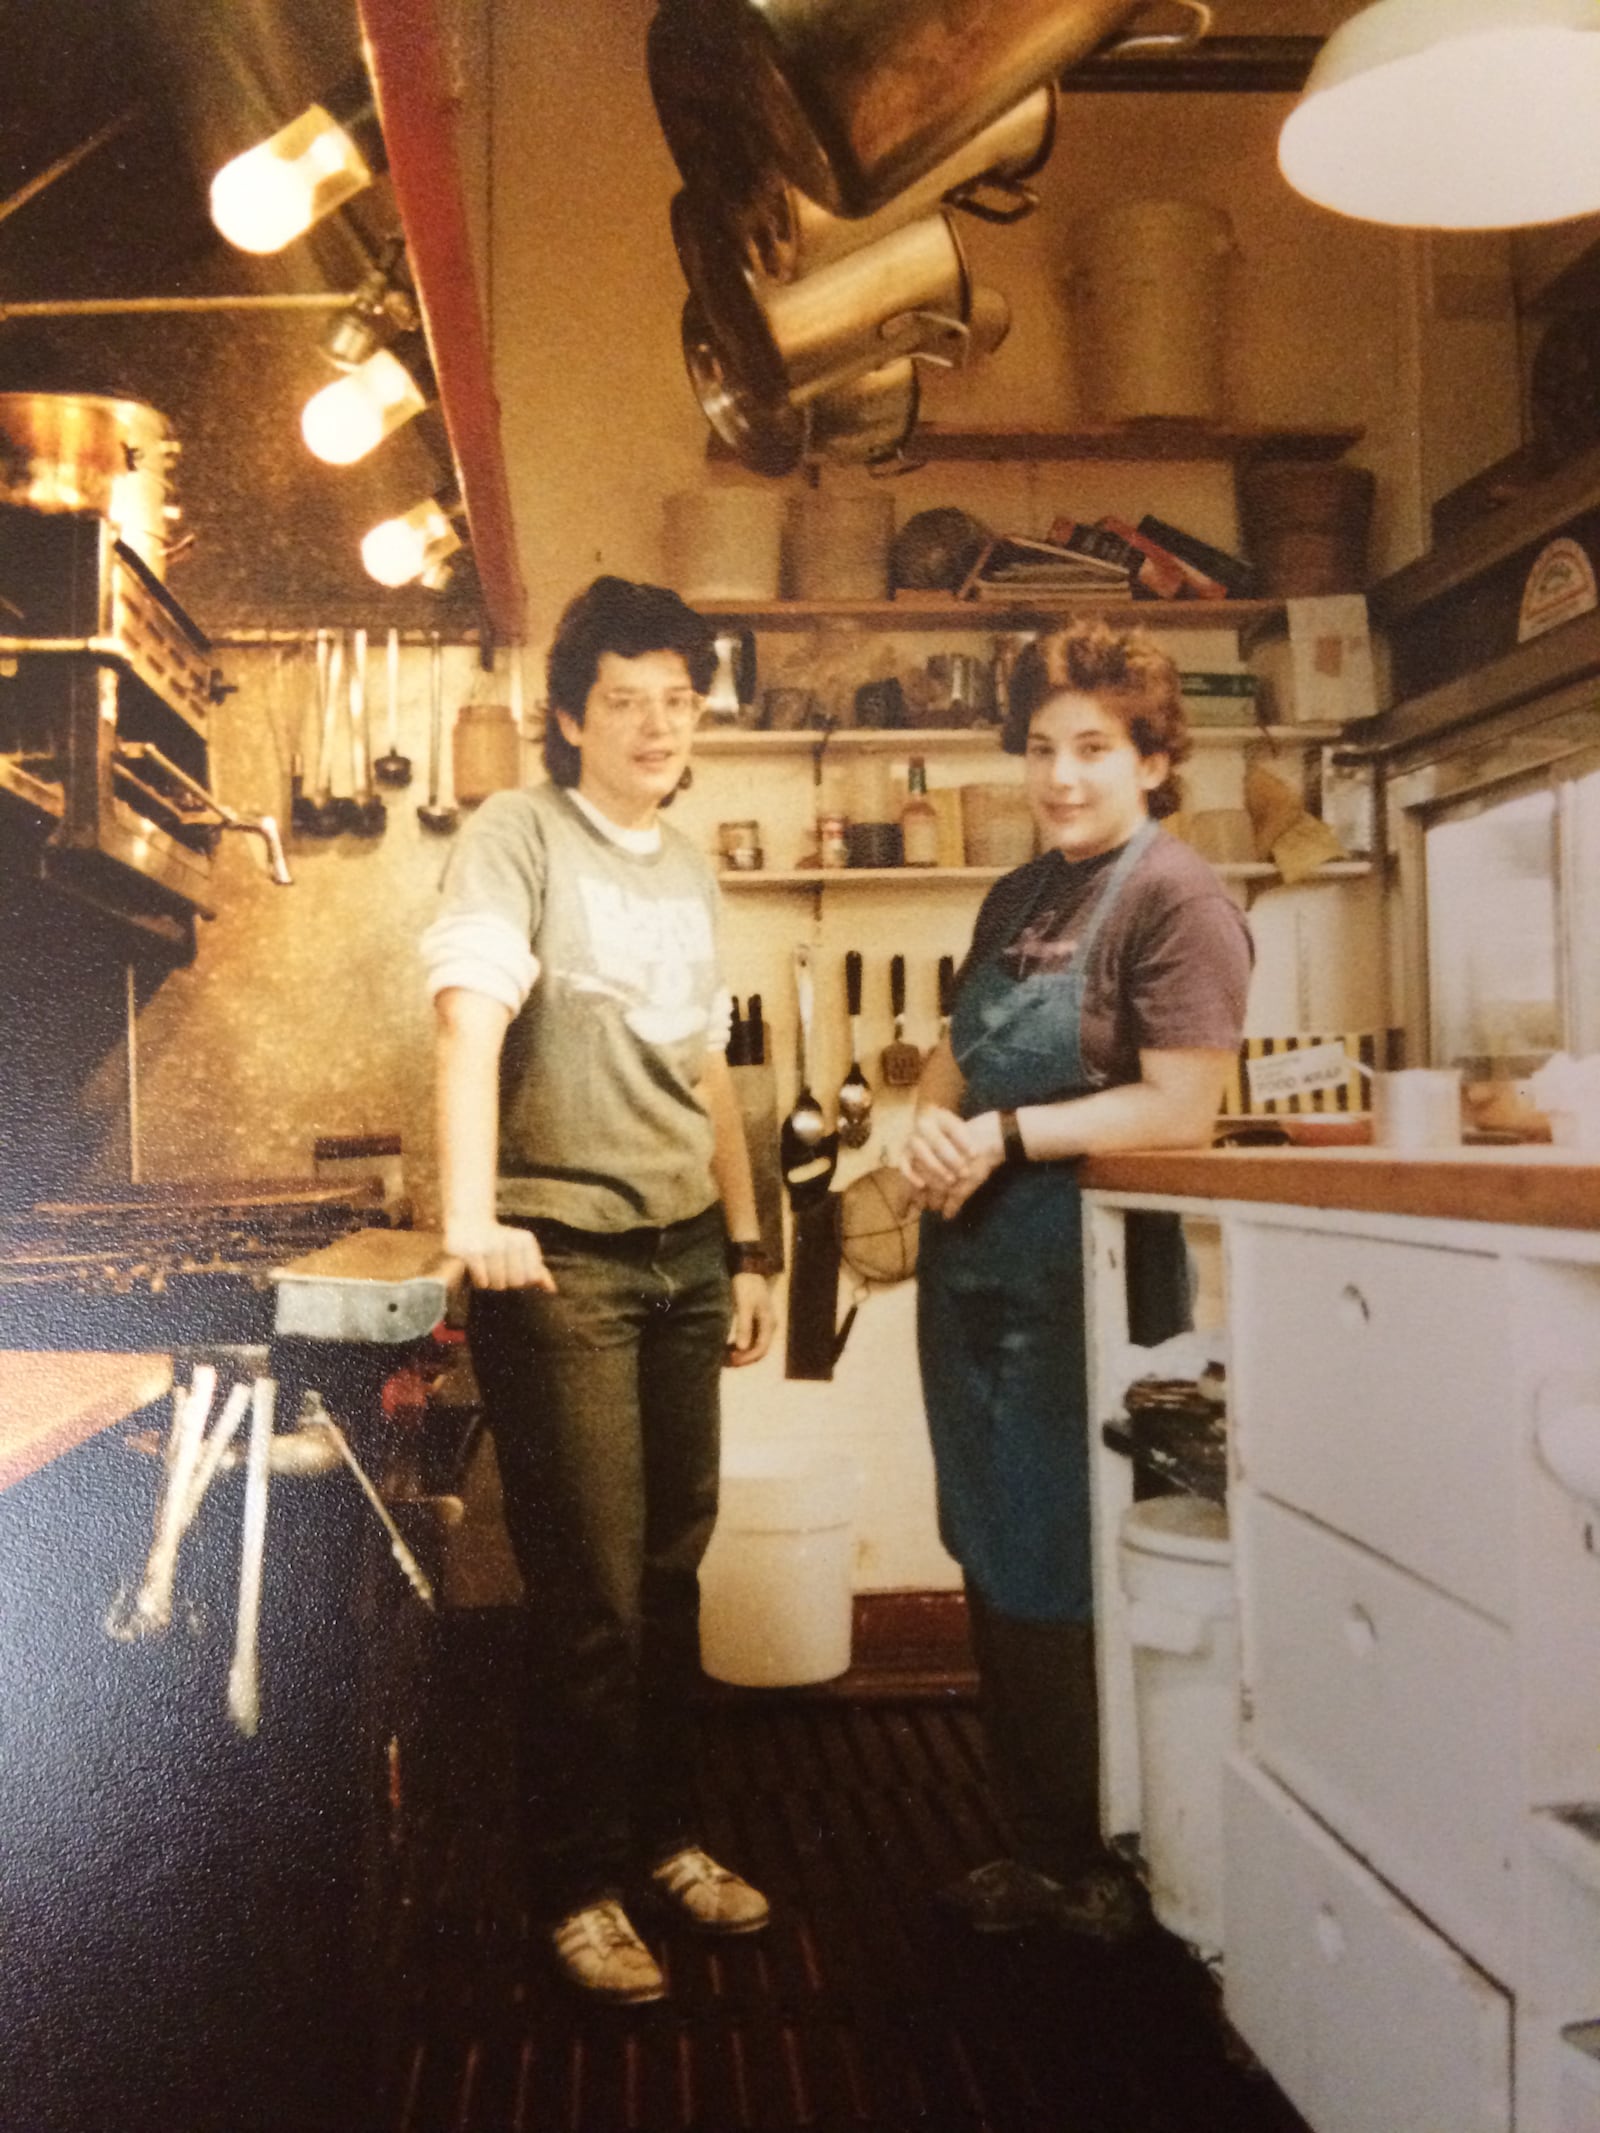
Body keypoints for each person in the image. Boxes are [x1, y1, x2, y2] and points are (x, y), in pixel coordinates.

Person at [423, 575, 777, 2005]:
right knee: (590, 1601)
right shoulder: (516, 833)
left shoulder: (688, 864)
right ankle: (575, 1880)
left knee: (670, 1573)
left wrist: (749, 1250)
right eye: (623, 700)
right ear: (569, 715)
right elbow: (467, 1018)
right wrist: (469, 1213)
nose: (653, 725)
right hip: (558, 1258)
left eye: (677, 701)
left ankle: (666, 1838)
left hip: (688, 1253)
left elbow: (707, 1072)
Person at [899, 616, 1252, 1939]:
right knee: (992, 1552)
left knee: (1072, 1559)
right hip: (977, 1275)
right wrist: (929, 1123)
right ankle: (1039, 1843)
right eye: (1043, 748)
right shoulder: (1017, 894)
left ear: (1154, 757)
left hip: (1089, 1289)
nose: (1061, 776)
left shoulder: (1178, 897)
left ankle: (1116, 1867)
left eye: (1094, 748)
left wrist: (1005, 1135)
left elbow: (1179, 1107)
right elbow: (956, 1054)